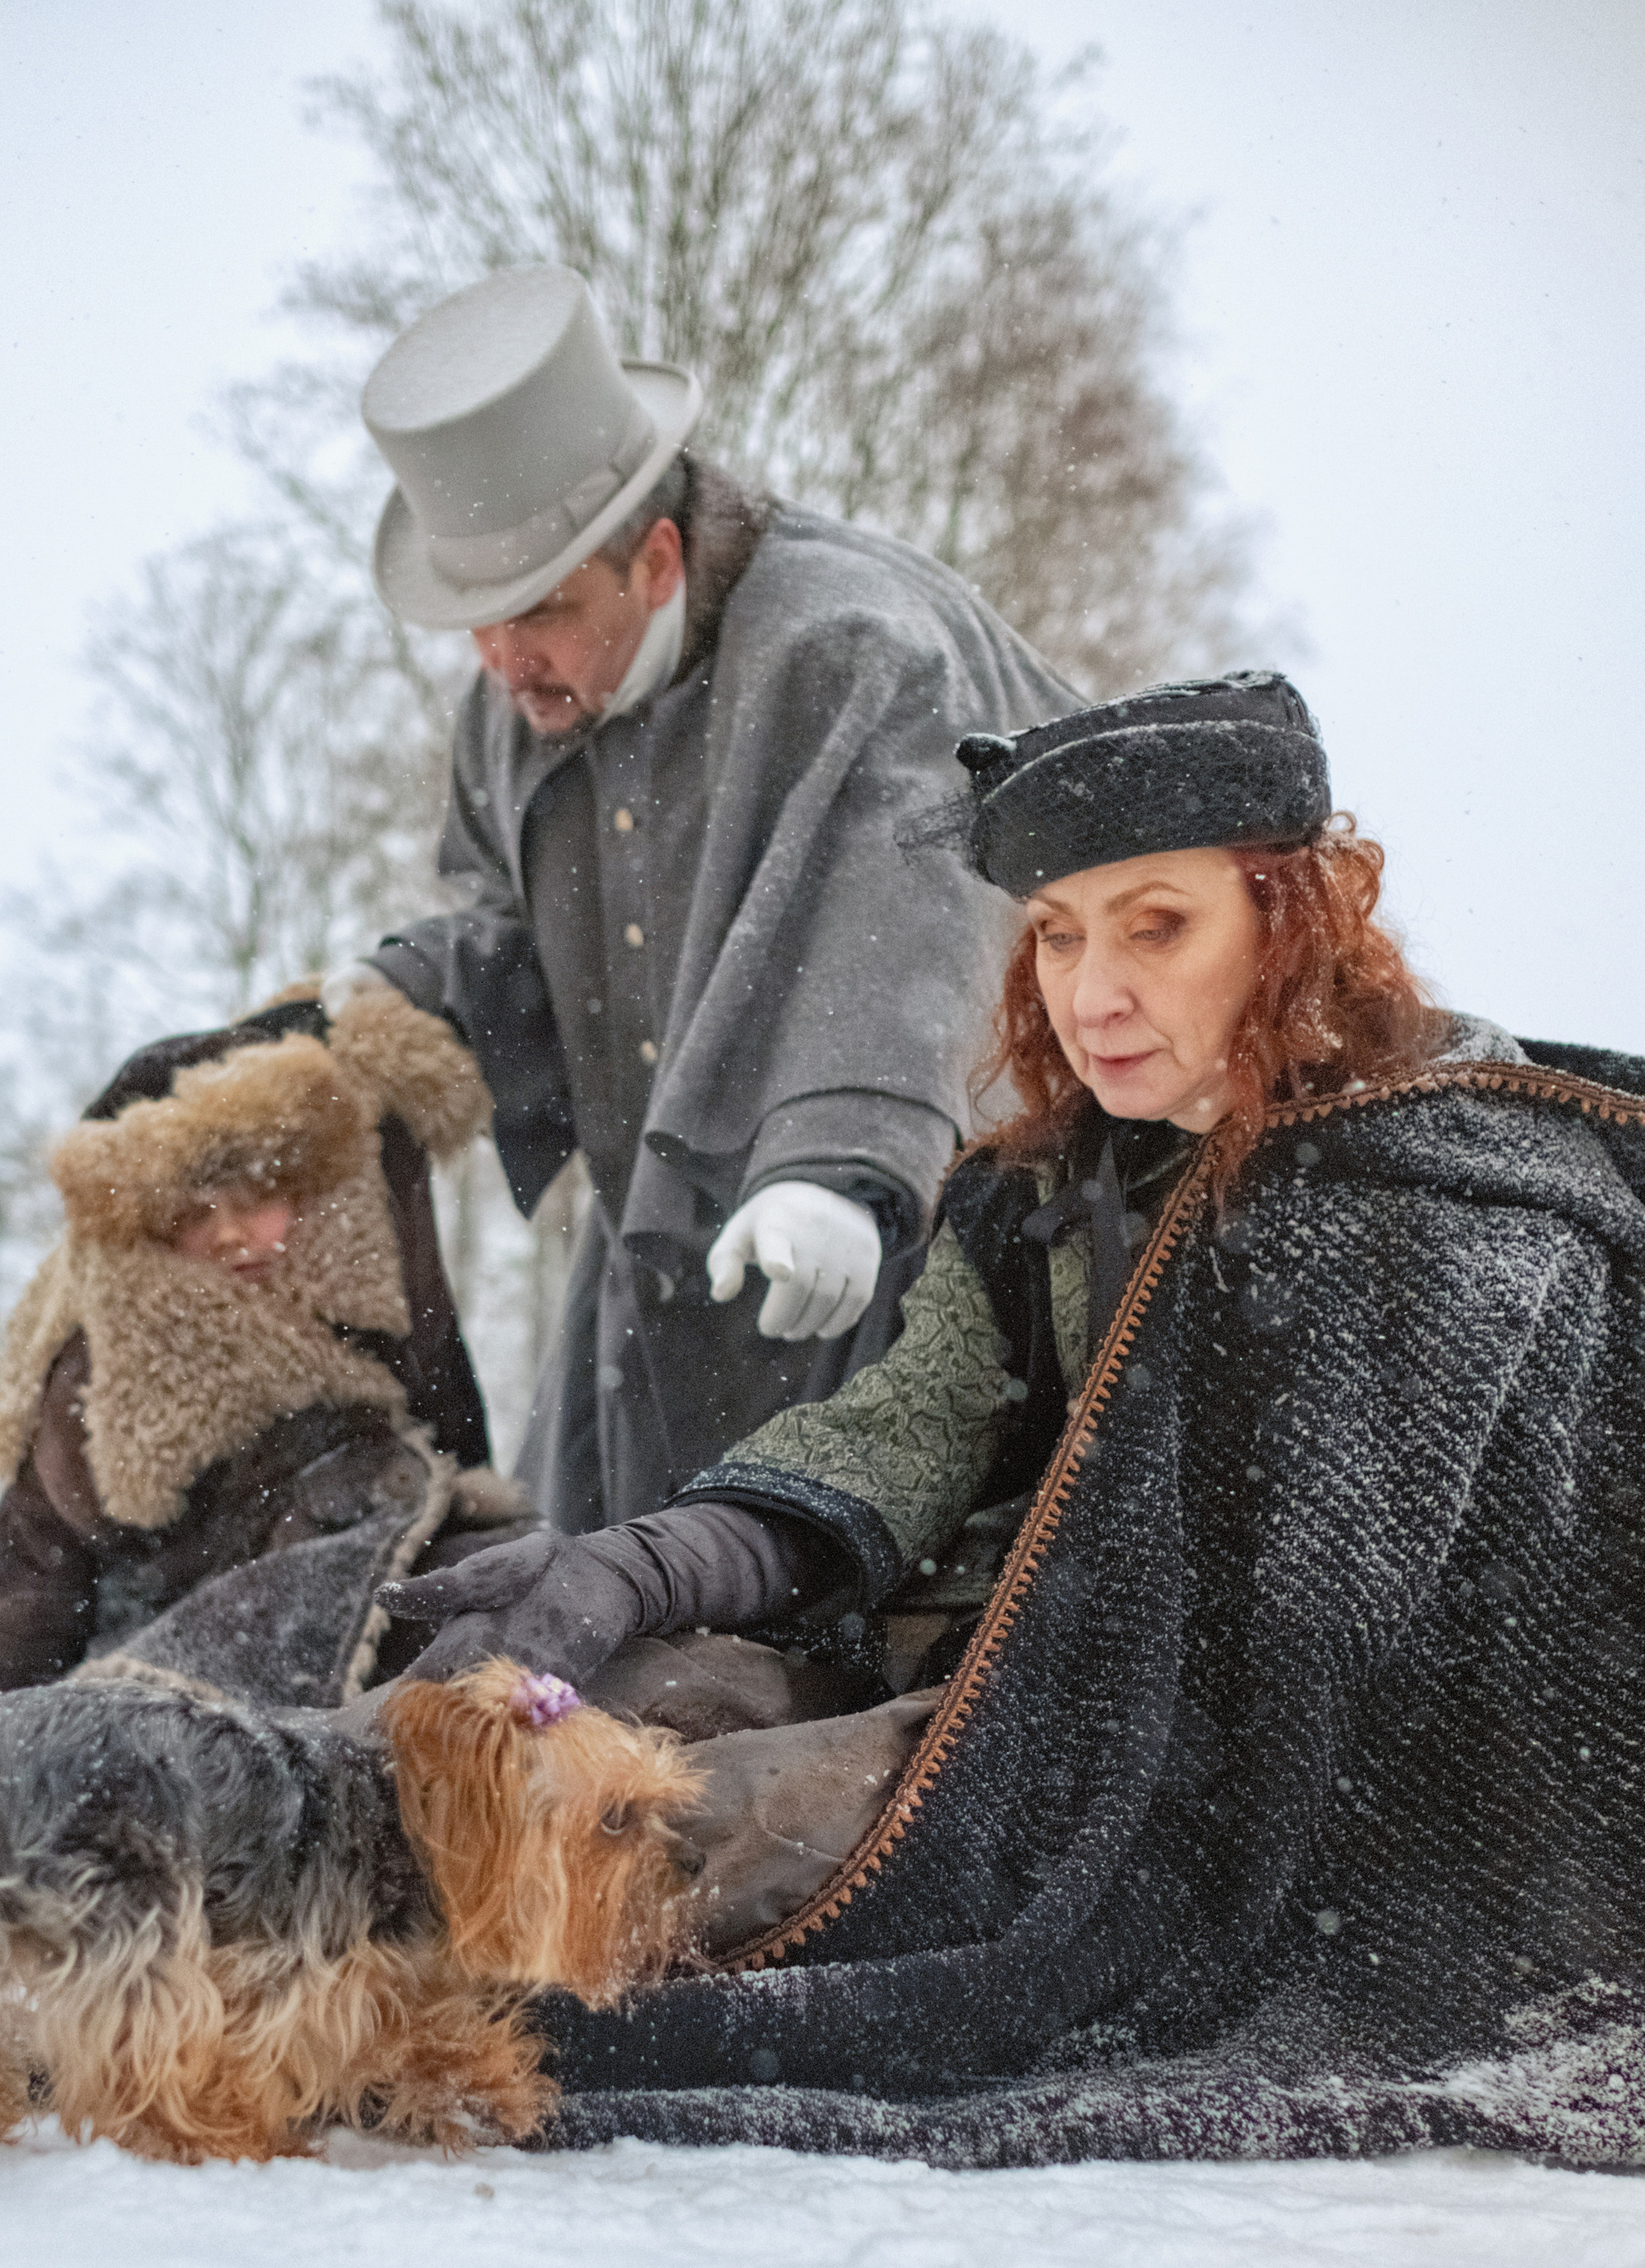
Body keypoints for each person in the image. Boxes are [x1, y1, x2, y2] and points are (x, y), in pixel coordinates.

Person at [383, 673, 1645, 2171]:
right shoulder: (1040, 1196)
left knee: (647, 1837)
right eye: (1055, 932)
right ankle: (193, 1882)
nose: (1090, 991)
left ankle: (296, 2004)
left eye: (1156, 925)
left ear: (1294, 916)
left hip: (1214, 1788)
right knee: (504, 1723)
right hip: (985, 1663)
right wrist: (638, 1569)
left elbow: (1437, 1640)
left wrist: (1064, 1713)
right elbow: (909, 1433)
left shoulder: (1459, 1195)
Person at [325, 262, 1080, 1532]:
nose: (509, 663)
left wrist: (842, 1164)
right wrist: (383, 1013)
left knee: (864, 1647)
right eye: (479, 627)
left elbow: (917, 895)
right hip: (651, 1276)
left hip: (910, 1243)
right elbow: (500, 927)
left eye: (545, 612)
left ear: (659, 558)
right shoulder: (509, 709)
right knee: (591, 1644)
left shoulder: (856, 645)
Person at [0, 984, 524, 1702]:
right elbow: (35, 1571)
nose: (229, 1233)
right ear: (154, 1225)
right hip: (168, 1685)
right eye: (196, 1211)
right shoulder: (104, 1364)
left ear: (303, 1192)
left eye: (256, 1198)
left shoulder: (368, 1315)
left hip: (363, 1657)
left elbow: (453, 1448)